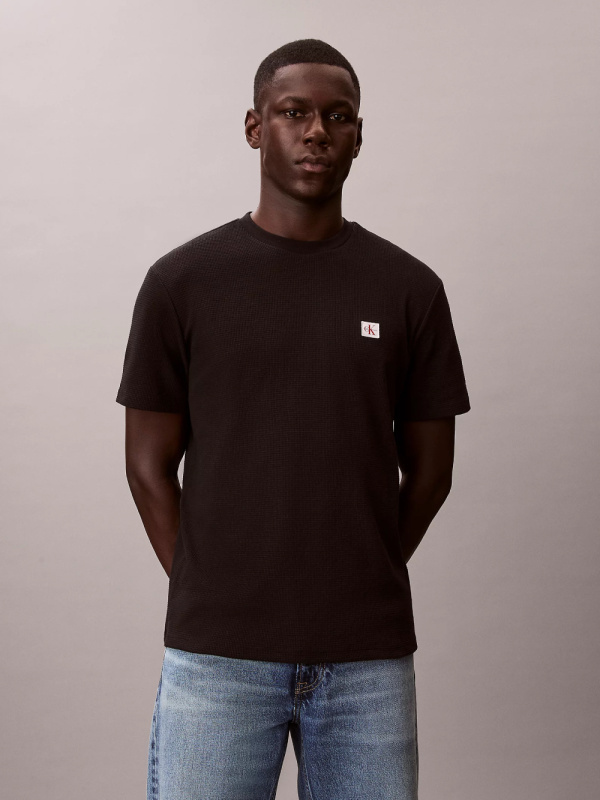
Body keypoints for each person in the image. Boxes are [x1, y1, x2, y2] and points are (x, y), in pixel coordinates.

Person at [116, 37, 471, 800]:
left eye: (338, 116)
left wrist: (362, 570)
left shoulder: (409, 289)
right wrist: (213, 589)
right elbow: (147, 465)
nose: (317, 132)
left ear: (359, 137)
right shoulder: (182, 283)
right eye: (294, 113)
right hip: (219, 657)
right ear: (255, 127)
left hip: (367, 661)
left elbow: (432, 473)